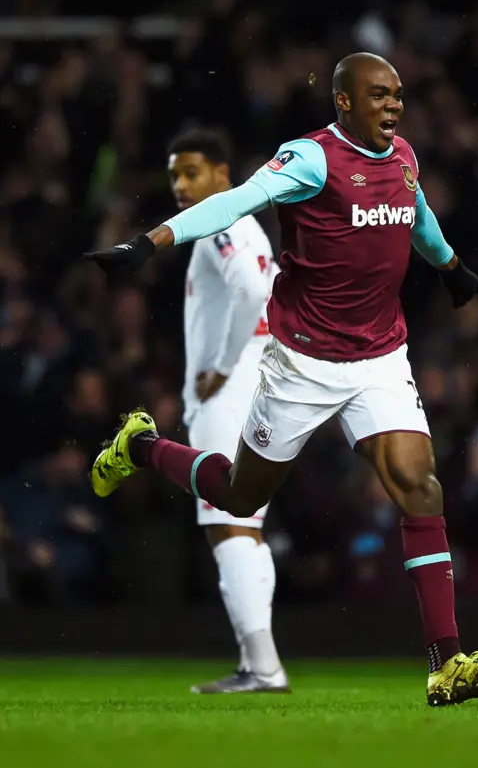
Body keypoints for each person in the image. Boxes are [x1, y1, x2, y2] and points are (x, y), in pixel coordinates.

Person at [85, 52, 478, 707]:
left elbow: (415, 210)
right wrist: (150, 243)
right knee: (235, 496)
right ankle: (141, 446)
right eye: (380, 95)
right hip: (303, 361)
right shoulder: (310, 159)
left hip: (379, 356)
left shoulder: (402, 153)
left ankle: (446, 662)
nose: (395, 105)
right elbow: (233, 203)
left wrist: (451, 266)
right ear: (344, 102)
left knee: (418, 485)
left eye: (398, 94)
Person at [171, 128, 288, 693]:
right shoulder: (250, 226)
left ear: (223, 175)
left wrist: (218, 367)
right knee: (246, 527)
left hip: (232, 388)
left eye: (192, 172)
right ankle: (260, 661)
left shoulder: (221, 220)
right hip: (258, 384)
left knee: (228, 525)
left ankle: (262, 666)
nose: (181, 185)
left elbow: (248, 292)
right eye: (174, 175)